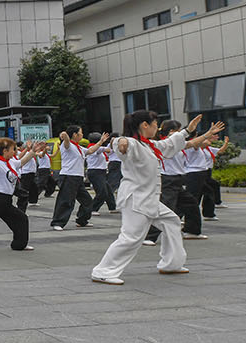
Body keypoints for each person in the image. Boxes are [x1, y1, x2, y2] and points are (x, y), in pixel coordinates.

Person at [92, 113, 224, 284]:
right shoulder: (132, 143)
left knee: (172, 222)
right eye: (155, 123)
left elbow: (176, 143)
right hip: (136, 199)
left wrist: (190, 131)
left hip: (149, 199)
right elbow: (120, 143)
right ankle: (103, 271)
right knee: (131, 237)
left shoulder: (150, 145)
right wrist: (119, 141)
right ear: (145, 125)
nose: (157, 127)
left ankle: (171, 264)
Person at [50, 127, 106, 231]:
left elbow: (90, 150)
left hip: (78, 178)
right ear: (75, 134)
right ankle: (58, 222)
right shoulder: (67, 146)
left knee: (87, 201)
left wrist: (101, 141)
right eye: (80, 133)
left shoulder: (79, 147)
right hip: (68, 176)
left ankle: (82, 220)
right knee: (66, 200)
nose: (82, 135)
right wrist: (64, 135)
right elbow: (66, 140)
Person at [86, 135, 116, 215]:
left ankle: (112, 207)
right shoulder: (93, 148)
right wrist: (109, 143)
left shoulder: (97, 149)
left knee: (108, 191)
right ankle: (92, 209)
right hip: (95, 172)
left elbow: (109, 151)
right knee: (102, 192)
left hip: (101, 172)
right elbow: (106, 149)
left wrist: (111, 143)